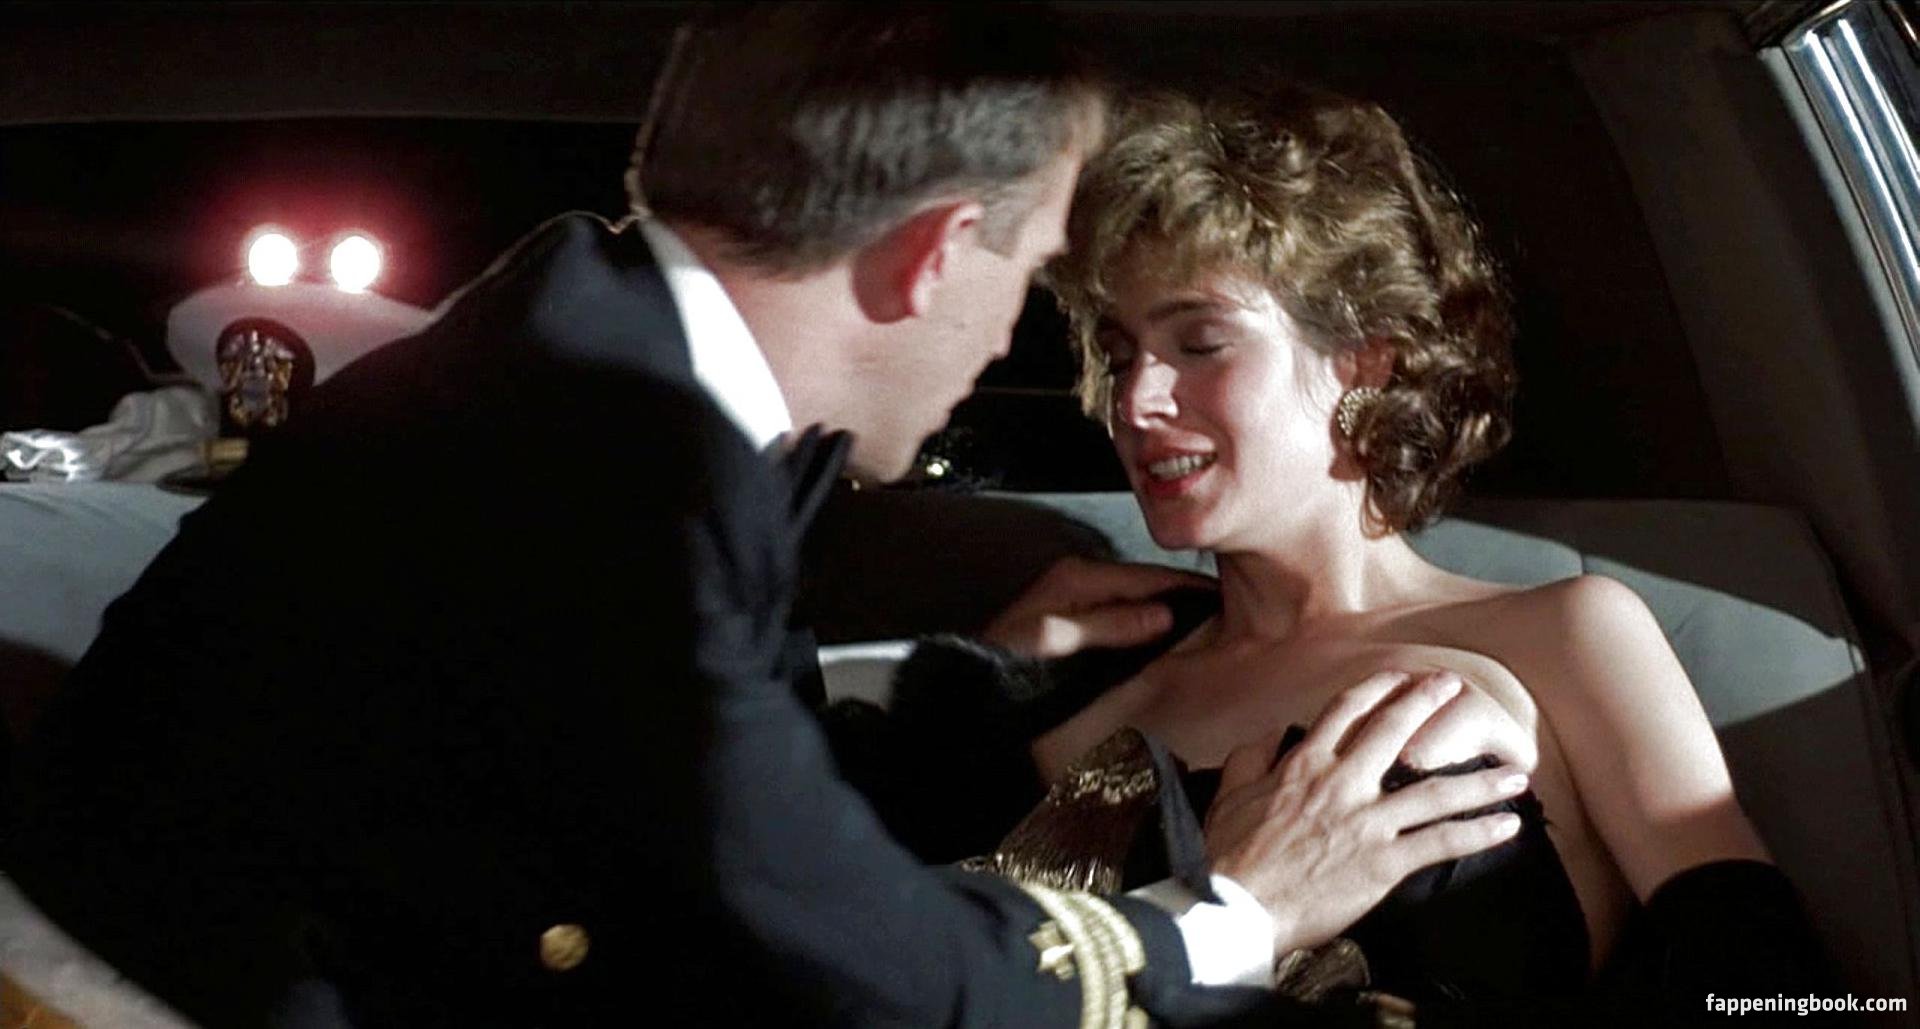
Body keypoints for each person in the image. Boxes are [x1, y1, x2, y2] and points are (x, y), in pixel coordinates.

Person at [6, 11, 1526, 1029]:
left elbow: (643, 729)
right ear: (934, 254)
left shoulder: (581, 333)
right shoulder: (614, 471)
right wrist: (1237, 915)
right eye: (1030, 280)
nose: (1038, 353)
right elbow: (864, 965)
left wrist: (973, 674)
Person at [1007, 84, 1833, 1020]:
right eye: (1120, 356)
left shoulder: (1563, 636)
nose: (1136, 401)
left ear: (1364, 356)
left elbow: (1780, 995)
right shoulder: (1087, 699)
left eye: (1200, 343)